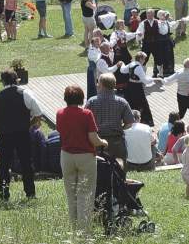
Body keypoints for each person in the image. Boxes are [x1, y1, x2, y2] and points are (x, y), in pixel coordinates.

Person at [0, 69, 43, 201]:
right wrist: (29, 124)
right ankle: (30, 193)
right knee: (26, 164)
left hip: (5, 135)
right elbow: (39, 114)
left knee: (4, 165)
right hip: (23, 134)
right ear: (17, 80)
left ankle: (4, 194)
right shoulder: (25, 93)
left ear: (2, 81)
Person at [56, 85, 108, 234]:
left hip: (66, 156)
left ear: (66, 98)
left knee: (71, 192)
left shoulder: (60, 113)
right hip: (85, 156)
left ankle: (73, 228)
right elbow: (93, 138)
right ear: (81, 98)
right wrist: (103, 142)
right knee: (85, 193)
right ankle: (84, 231)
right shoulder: (86, 114)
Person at [85, 73, 134, 162]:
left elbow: (84, 123)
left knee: (99, 169)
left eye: (98, 82)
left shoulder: (91, 102)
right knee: (119, 170)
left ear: (102, 85)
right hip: (117, 141)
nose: (96, 84)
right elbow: (130, 123)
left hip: (97, 140)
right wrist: (121, 129)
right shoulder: (122, 102)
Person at [120, 52, 158, 126]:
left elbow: (123, 70)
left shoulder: (131, 64)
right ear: (140, 59)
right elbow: (145, 81)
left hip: (130, 86)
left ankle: (129, 120)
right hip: (137, 87)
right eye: (144, 59)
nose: (145, 60)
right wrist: (153, 79)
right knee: (142, 103)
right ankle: (144, 121)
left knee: (130, 102)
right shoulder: (138, 67)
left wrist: (122, 64)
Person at [162, 58, 189, 125]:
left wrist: (162, 80)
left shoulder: (180, 71)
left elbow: (169, 80)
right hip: (187, 97)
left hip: (179, 95)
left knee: (181, 114)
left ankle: (170, 124)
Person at [136, 9, 163, 76]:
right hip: (146, 44)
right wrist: (139, 35)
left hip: (156, 44)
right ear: (146, 15)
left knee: (159, 59)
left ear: (154, 14)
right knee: (143, 60)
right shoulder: (143, 23)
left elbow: (163, 31)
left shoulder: (158, 22)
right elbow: (139, 32)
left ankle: (160, 74)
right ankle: (142, 75)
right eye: (148, 14)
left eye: (151, 14)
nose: (149, 15)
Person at [156, 10, 178, 77]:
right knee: (161, 56)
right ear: (159, 16)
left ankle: (169, 70)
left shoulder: (167, 22)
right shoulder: (157, 23)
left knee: (169, 56)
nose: (165, 16)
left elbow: (173, 26)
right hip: (159, 42)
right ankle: (161, 71)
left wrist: (177, 22)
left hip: (167, 42)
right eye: (163, 14)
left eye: (164, 14)